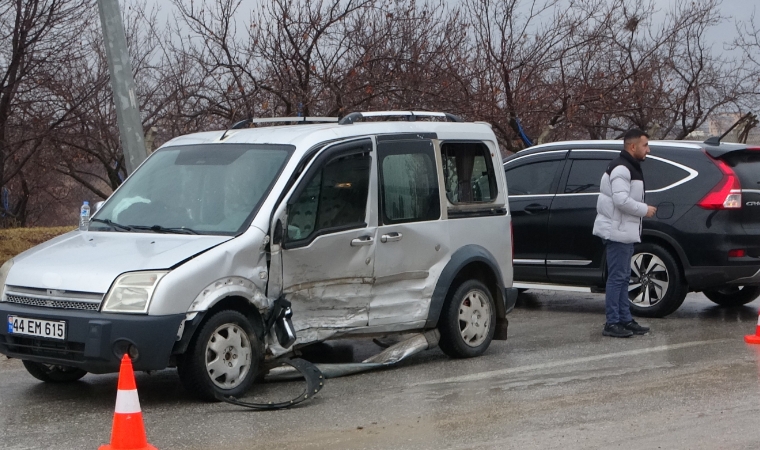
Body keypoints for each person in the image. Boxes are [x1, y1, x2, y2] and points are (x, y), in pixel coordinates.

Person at [593, 128, 657, 338]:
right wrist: (644, 210)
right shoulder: (621, 168)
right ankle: (612, 323)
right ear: (632, 146)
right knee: (617, 278)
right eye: (645, 145)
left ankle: (624, 319)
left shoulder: (629, 166)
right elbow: (621, 201)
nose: (648, 149)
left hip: (624, 231)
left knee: (622, 277)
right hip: (617, 231)